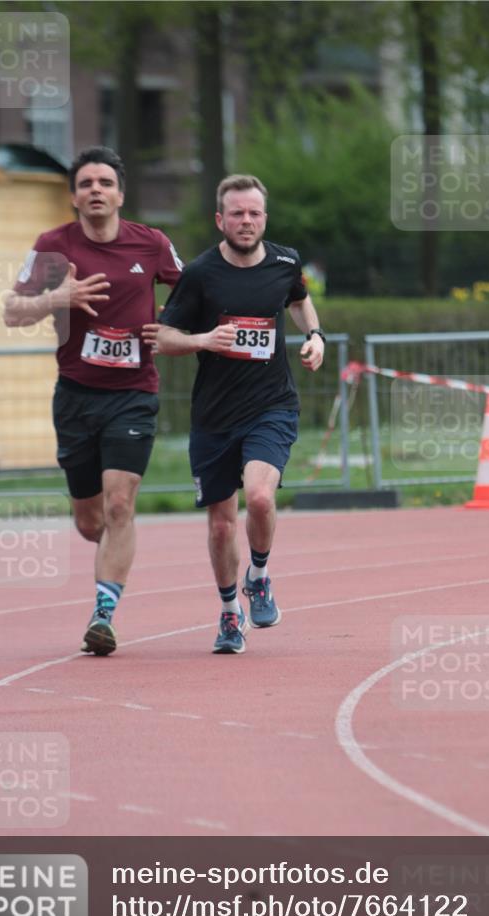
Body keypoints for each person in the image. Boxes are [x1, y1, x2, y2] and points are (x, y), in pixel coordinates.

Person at [4, 146, 183, 656]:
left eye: (105, 182)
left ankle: (104, 614)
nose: (96, 190)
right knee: (91, 521)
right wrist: (55, 299)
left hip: (133, 394)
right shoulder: (52, 246)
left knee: (120, 504)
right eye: (86, 184)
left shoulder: (151, 243)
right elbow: (12, 310)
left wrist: (173, 323)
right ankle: (110, 547)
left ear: (120, 193)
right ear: (74, 197)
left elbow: (194, 287)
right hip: (77, 397)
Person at [142, 174, 324, 654]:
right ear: (220, 220)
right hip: (214, 417)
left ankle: (259, 576)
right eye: (238, 214)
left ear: (265, 218)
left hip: (271, 406)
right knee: (222, 523)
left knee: (260, 499)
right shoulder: (200, 274)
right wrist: (203, 340)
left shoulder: (285, 262)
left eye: (255, 213)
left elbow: (300, 300)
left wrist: (316, 336)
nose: (247, 222)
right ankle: (228, 612)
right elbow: (161, 338)